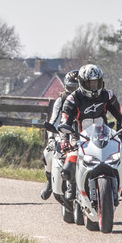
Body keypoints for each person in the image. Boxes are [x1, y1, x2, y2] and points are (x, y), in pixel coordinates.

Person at [44, 64, 122, 200]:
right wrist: (64, 139)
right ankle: (72, 185)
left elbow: (121, 115)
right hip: (79, 138)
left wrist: (121, 135)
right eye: (90, 83)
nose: (94, 87)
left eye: (96, 82)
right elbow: (64, 122)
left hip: (103, 137)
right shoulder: (72, 99)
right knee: (69, 164)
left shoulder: (108, 94)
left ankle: (120, 183)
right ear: (82, 83)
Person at [39, 71, 80, 199]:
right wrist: (51, 138)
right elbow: (54, 119)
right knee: (48, 154)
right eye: (71, 88)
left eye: (76, 88)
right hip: (62, 133)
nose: (73, 91)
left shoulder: (85, 100)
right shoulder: (61, 100)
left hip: (82, 135)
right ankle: (50, 182)